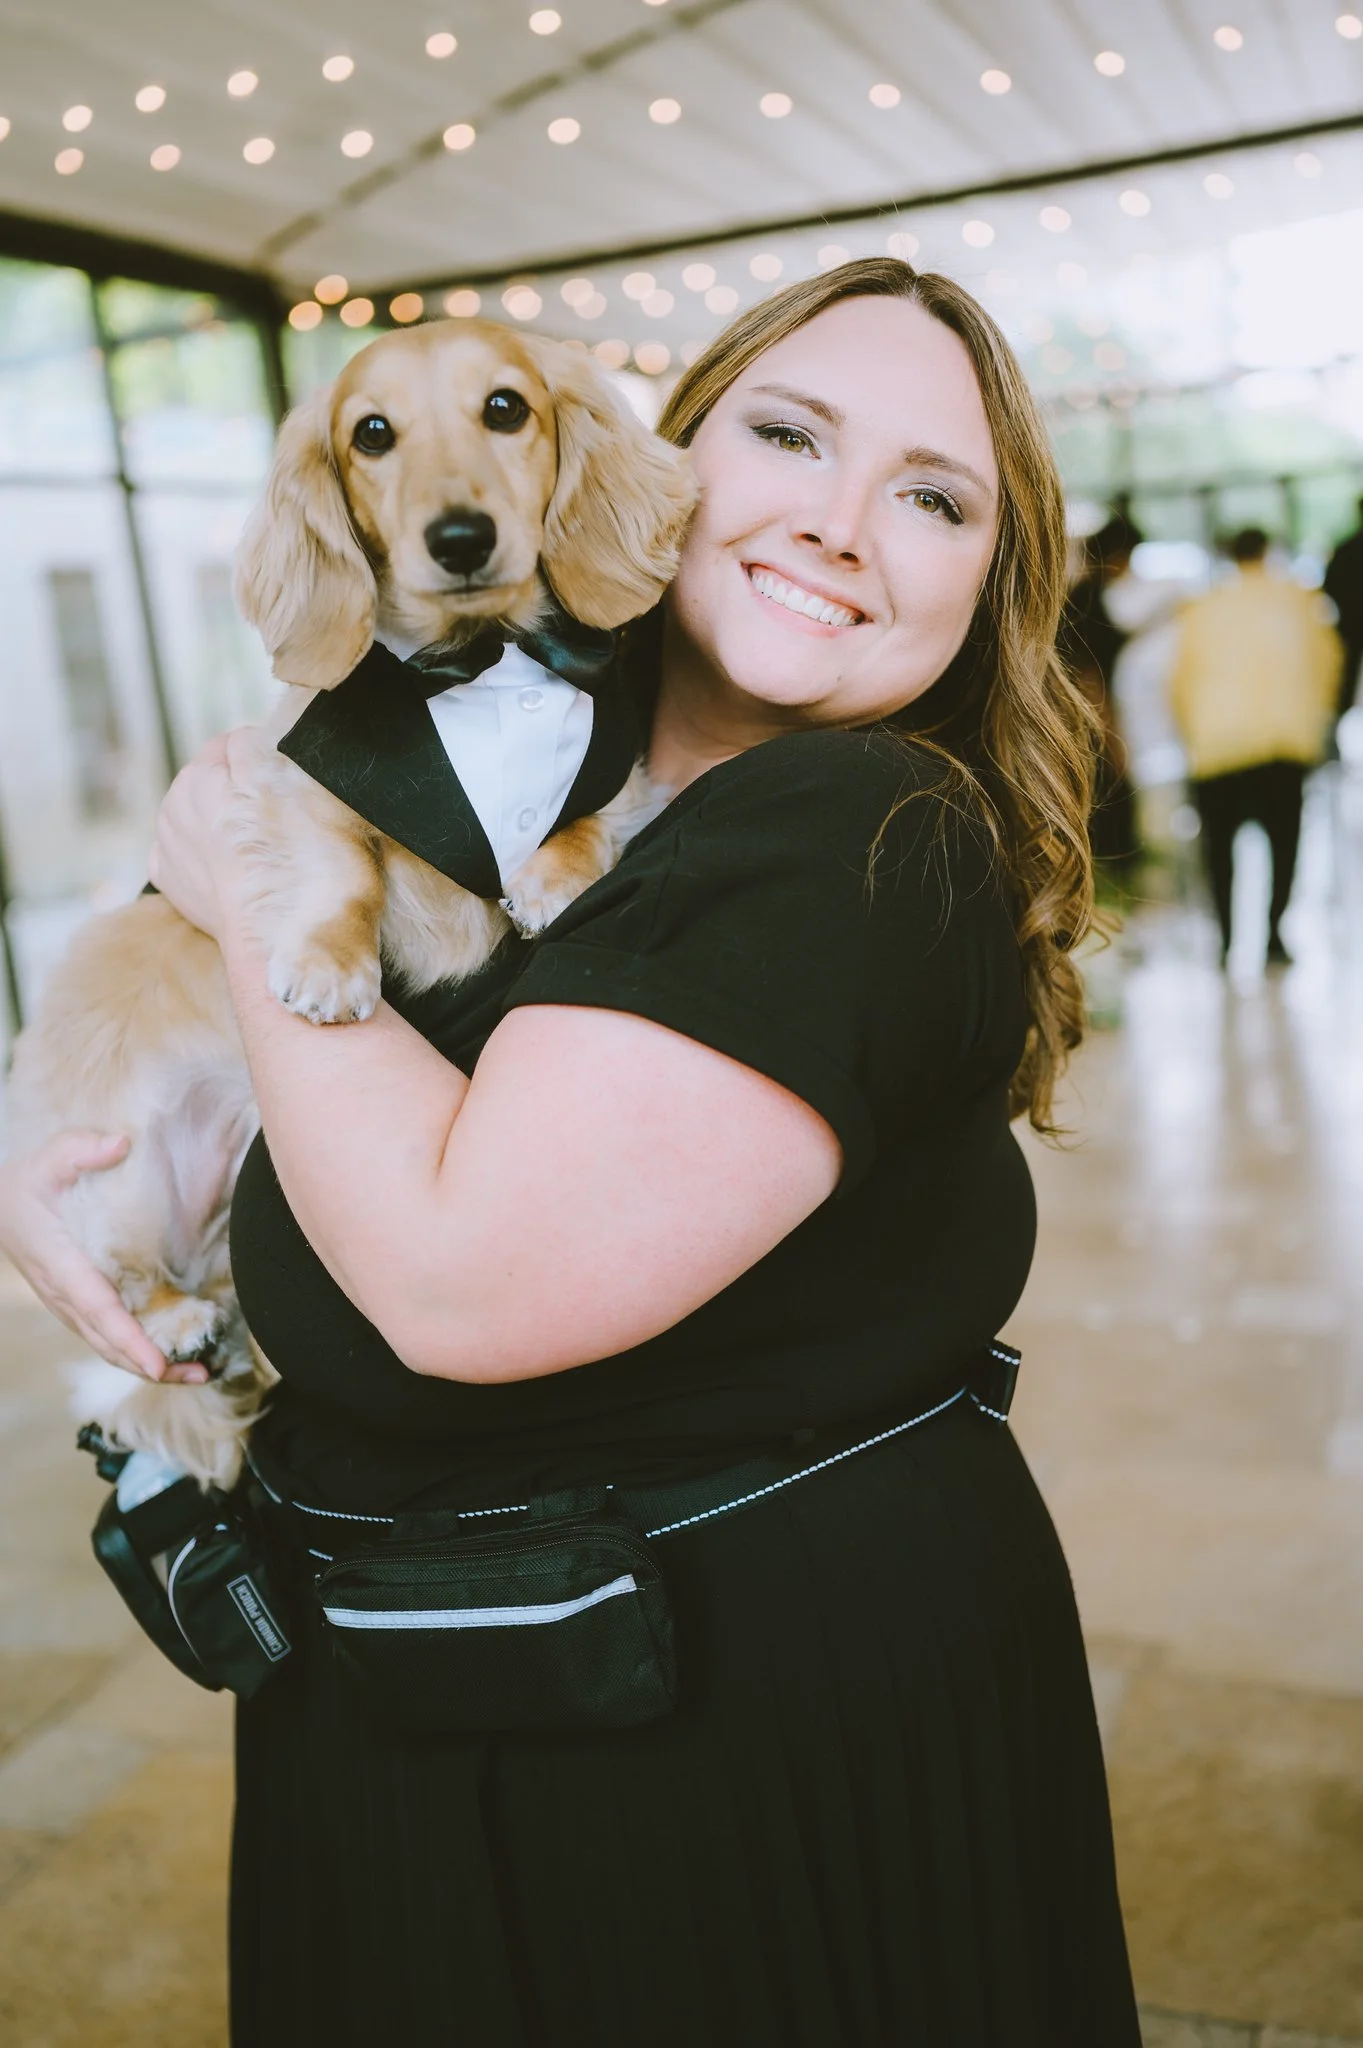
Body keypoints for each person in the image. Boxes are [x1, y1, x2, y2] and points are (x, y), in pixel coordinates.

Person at [0, 261, 1141, 2047]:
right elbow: (190, 1038)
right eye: (787, 436)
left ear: (982, 582)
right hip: (417, 1720)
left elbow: (461, 1274)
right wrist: (57, 1153)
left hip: (728, 1764)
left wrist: (242, 895)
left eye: (929, 498)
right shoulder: (495, 774)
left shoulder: (858, 825)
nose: (839, 525)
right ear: (665, 469)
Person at [1169, 526, 1341, 967]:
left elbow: (1180, 678)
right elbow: (1329, 663)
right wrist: (1317, 721)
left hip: (1217, 745)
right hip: (1282, 742)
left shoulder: (1202, 608)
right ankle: (1273, 937)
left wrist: (1190, 733)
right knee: (1284, 846)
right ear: (1268, 551)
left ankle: (1227, 942)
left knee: (1219, 853)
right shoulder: (1299, 602)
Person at [1057, 514, 1142, 877]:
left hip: (1087, 717)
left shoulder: (1085, 595)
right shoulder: (1089, 599)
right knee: (1109, 803)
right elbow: (1088, 673)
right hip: (1089, 722)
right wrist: (1109, 732)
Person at [1323, 496, 1363, 721]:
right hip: (1353, 627)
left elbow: (1330, 586)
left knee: (1348, 682)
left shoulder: (1346, 550)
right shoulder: (1346, 549)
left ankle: (1342, 719)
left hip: (1352, 627)